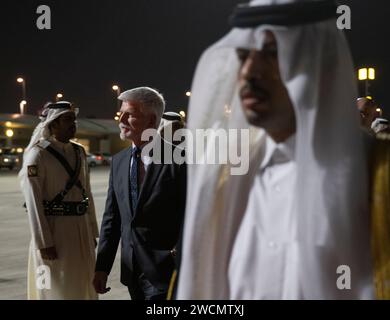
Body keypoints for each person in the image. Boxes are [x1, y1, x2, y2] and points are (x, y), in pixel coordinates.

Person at [177, 0, 375, 299]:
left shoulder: (376, 175)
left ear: (322, 66)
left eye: (273, 54)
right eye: (244, 56)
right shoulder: (224, 177)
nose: (249, 72)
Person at [93, 87, 186, 300]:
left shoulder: (180, 161)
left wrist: (177, 255)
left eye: (130, 114)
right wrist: (102, 267)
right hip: (132, 270)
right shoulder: (119, 162)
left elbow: (194, 215)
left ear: (152, 121)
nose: (121, 119)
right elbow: (112, 218)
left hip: (166, 271)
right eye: (121, 113)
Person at [19, 101, 99, 300]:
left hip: (80, 229)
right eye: (67, 120)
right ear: (53, 124)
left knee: (82, 282)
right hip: (54, 231)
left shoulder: (79, 152)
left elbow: (86, 193)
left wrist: (92, 231)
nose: (73, 124)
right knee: (54, 286)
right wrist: (43, 242)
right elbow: (33, 201)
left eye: (74, 119)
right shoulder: (38, 154)